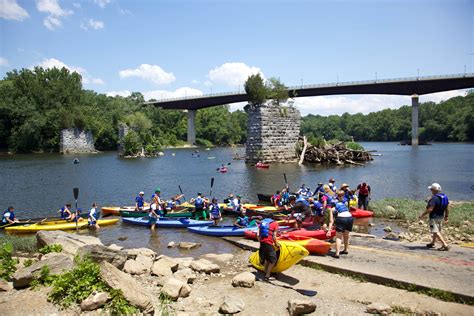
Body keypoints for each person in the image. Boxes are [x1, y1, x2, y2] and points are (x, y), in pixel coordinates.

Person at [419, 183, 450, 251]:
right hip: (441, 217)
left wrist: (422, 215)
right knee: (437, 231)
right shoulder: (445, 197)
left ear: (434, 190)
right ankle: (432, 243)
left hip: (433, 218)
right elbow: (447, 208)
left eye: (431, 189)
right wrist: (446, 216)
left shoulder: (434, 198)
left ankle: (445, 245)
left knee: (435, 231)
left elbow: (430, 209)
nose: (431, 191)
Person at [327, 190, 353, 258]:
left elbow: (331, 221)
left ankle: (337, 253)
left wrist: (329, 230)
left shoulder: (331, 209)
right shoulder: (343, 204)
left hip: (342, 218)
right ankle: (345, 250)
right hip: (350, 217)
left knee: (338, 237)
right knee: (346, 235)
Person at [257, 217, 280, 281]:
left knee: (267, 258)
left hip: (262, 243)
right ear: (273, 219)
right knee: (273, 260)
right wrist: (276, 244)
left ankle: (265, 271)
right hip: (268, 243)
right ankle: (267, 276)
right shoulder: (275, 223)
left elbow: (258, 235)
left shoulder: (262, 223)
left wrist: (261, 243)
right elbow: (274, 237)